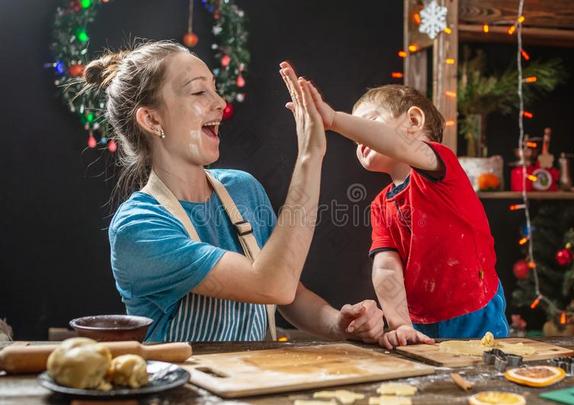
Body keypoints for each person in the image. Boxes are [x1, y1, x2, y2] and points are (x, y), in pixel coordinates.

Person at [82, 41, 383, 342]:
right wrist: (310, 155)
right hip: (186, 386)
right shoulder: (139, 228)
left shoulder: (242, 189)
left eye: (215, 89)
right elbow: (271, 284)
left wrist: (339, 325)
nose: (220, 103)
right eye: (199, 92)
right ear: (152, 119)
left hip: (253, 383)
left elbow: (288, 293)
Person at [281, 65, 509, 349]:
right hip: (420, 320)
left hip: (474, 310)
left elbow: (400, 145)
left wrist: (336, 120)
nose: (359, 138)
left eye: (368, 124)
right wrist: (400, 323)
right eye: (356, 131)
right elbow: (387, 267)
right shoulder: (380, 205)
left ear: (413, 121)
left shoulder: (441, 166)